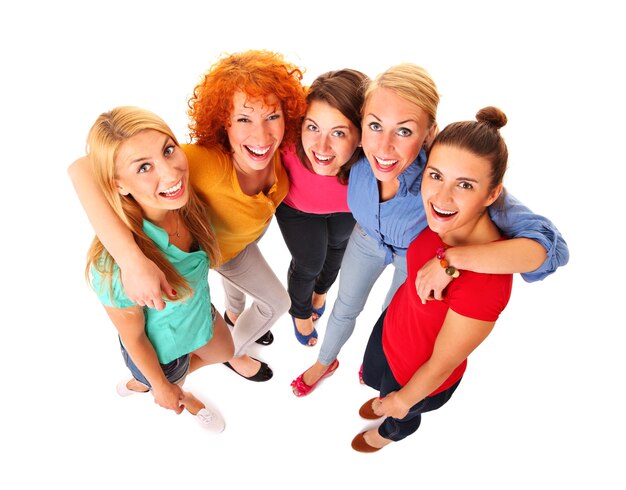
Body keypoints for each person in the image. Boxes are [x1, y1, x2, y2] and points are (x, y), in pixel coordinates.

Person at [290, 64, 569, 397]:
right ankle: (325, 362)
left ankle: (378, 360)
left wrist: (453, 260)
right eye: (375, 126)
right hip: (365, 240)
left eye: (404, 131)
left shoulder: (442, 174)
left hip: (415, 255)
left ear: (429, 133)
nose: (384, 147)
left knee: (391, 317)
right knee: (345, 306)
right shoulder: (355, 153)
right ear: (361, 124)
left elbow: (550, 249)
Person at [69, 50, 307, 382]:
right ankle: (236, 352)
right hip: (214, 255)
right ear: (224, 122)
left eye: (272, 117)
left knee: (231, 292)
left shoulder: (284, 153)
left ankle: (234, 315)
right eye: (243, 119)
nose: (262, 136)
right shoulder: (198, 163)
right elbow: (82, 168)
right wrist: (132, 260)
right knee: (277, 302)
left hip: (230, 247)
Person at [352, 106, 520, 451]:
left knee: (400, 413)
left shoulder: (489, 281)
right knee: (376, 381)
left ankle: (388, 434)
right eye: (436, 176)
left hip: (418, 372)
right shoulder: (440, 219)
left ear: (491, 194)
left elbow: (442, 364)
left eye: (465, 185)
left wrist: (400, 402)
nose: (441, 198)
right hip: (394, 329)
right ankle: (385, 398)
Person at [84, 106, 234, 432]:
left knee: (225, 349)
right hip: (165, 355)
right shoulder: (111, 269)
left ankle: (146, 385)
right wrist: (162, 385)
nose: (170, 173)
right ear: (119, 185)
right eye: (144, 167)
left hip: (194, 308)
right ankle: (167, 391)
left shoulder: (183, 202)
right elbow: (134, 336)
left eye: (168, 150)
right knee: (168, 384)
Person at [275, 69, 369, 346]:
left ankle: (321, 291)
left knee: (337, 249)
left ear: (363, 135)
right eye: (313, 127)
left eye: (338, 132)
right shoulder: (285, 146)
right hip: (297, 212)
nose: (321, 146)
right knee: (308, 264)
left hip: (345, 212)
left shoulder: (373, 162)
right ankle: (300, 311)